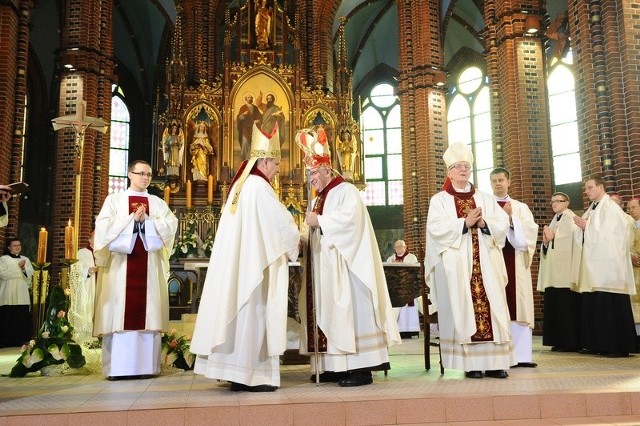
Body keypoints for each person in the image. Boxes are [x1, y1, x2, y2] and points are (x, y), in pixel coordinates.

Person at [190, 122, 299, 392]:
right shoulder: (258, 188)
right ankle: (253, 375)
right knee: (253, 314)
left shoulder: (242, 185)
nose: (278, 169)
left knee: (240, 316)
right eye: (275, 163)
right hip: (254, 268)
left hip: (242, 265)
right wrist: (299, 237)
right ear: (263, 160)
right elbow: (281, 225)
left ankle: (236, 373)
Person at [296, 127, 400, 387]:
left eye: (314, 173)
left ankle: (360, 368)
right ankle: (333, 365)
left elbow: (350, 223)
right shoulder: (318, 198)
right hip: (325, 270)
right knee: (329, 312)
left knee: (349, 313)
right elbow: (316, 231)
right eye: (308, 174)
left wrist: (318, 220)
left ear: (327, 170)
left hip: (348, 269)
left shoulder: (346, 191)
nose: (311, 179)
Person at [425, 142, 514, 379]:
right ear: (449, 172)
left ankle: (496, 363)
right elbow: (435, 228)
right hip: (458, 265)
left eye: (466, 166)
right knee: (464, 309)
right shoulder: (440, 200)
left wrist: (484, 224)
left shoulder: (484, 197)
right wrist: (464, 223)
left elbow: (503, 223)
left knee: (493, 308)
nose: (463, 170)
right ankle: (472, 364)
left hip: (487, 263)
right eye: (458, 166)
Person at [93, 160, 178, 380]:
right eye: (141, 173)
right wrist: (132, 219)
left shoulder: (157, 203)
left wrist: (147, 221)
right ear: (129, 174)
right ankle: (117, 369)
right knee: (119, 312)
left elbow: (171, 225)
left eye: (149, 174)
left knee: (147, 312)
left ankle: (146, 368)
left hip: (148, 266)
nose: (145, 178)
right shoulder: (114, 200)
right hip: (120, 268)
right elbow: (103, 228)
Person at [572, 176, 637, 357]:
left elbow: (611, 235)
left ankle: (617, 346)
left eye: (590, 187)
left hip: (610, 269)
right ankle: (598, 344)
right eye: (586, 188)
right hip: (594, 268)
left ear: (601, 187)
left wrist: (588, 226)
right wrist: (584, 227)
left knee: (610, 305)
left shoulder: (611, 208)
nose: (587, 191)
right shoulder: (592, 209)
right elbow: (583, 233)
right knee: (595, 304)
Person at [490, 167, 539, 368]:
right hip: (493, 261)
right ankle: (498, 356)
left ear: (509, 182)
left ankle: (521, 356)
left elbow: (528, 233)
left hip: (517, 262)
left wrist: (511, 219)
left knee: (518, 304)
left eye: (501, 180)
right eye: (494, 181)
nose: (498, 183)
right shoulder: (486, 205)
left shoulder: (520, 207)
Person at [536, 192, 581, 352]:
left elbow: (572, 244)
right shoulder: (555, 219)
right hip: (554, 273)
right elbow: (550, 246)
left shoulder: (571, 219)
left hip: (565, 273)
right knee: (556, 307)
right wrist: (547, 242)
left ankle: (570, 342)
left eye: (558, 201)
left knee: (567, 308)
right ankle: (559, 341)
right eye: (552, 201)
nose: (554, 204)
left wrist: (553, 238)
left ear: (566, 203)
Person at [0, 238, 34, 348]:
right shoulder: (3, 259)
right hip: (8, 291)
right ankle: (5, 340)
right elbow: (3, 274)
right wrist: (20, 269)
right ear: (9, 247)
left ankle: (20, 339)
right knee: (7, 315)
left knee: (20, 315)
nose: (17, 247)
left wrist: (24, 269)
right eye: (14, 245)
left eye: (19, 245)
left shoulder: (25, 259)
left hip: (21, 292)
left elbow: (30, 274)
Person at [386, 239, 420, 338]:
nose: (399, 248)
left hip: (408, 287)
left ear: (405, 247)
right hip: (395, 289)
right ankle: (397, 331)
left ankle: (410, 331)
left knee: (407, 309)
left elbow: (413, 271)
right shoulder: (390, 259)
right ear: (394, 248)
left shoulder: (411, 257)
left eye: (401, 246)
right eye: (397, 246)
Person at [69, 229, 98, 344]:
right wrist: (88, 270)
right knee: (88, 308)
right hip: (88, 285)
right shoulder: (82, 252)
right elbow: (75, 268)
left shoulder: (106, 252)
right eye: (96, 237)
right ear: (89, 239)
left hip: (102, 286)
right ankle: (87, 337)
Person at [627, 197, 640, 336]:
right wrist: (629, 255)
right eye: (628, 208)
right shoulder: (628, 227)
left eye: (634, 207)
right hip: (632, 271)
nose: (631, 211)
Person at [237, 93, 262, 160]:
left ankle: (251, 156)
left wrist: (258, 120)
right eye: (248, 97)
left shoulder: (255, 107)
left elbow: (260, 116)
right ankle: (244, 156)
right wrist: (243, 115)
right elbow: (239, 118)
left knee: (253, 142)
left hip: (253, 127)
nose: (250, 98)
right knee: (245, 142)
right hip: (245, 128)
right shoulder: (243, 107)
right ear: (246, 99)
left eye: (251, 97)